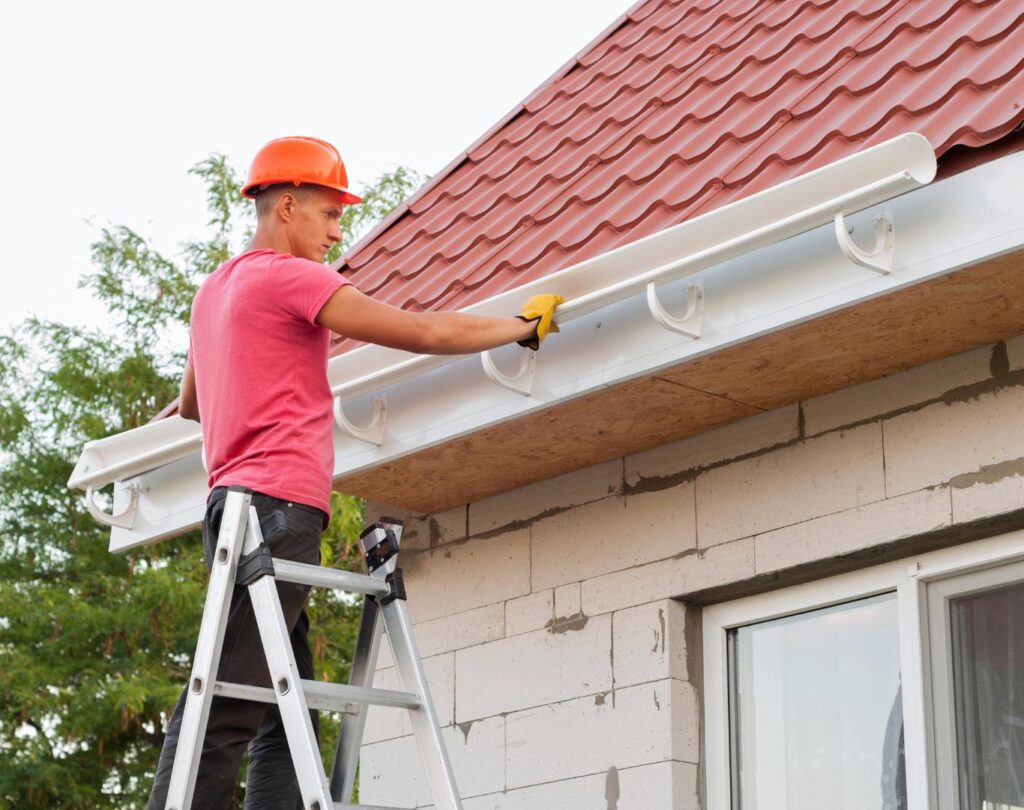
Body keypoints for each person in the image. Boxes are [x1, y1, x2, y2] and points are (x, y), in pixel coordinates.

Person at [146, 135, 562, 809]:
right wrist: (516, 328)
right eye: (330, 215)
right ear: (287, 205)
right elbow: (421, 333)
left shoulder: (215, 290)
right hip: (278, 512)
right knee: (222, 705)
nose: (337, 233)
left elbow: (193, 405)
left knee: (282, 712)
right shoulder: (293, 279)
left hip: (231, 513)